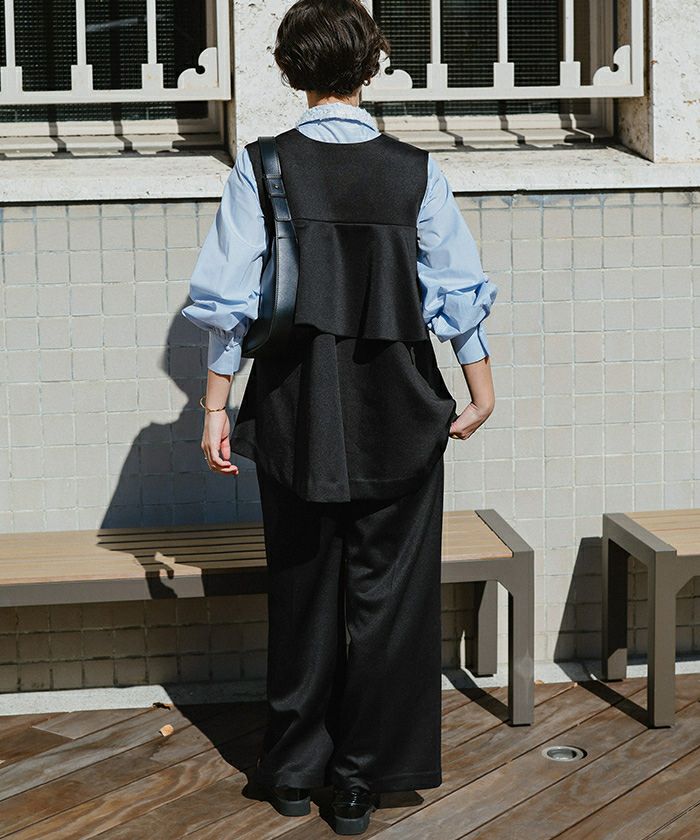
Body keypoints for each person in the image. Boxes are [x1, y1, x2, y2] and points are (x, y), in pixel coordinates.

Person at [181, 1, 497, 834]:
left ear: (291, 70)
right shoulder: (416, 171)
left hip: (295, 407)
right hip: (400, 407)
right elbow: (456, 290)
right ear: (372, 66)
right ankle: (362, 781)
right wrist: (482, 388)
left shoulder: (262, 167)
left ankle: (293, 771)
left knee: (303, 589)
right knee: (390, 600)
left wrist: (215, 404)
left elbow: (228, 299)